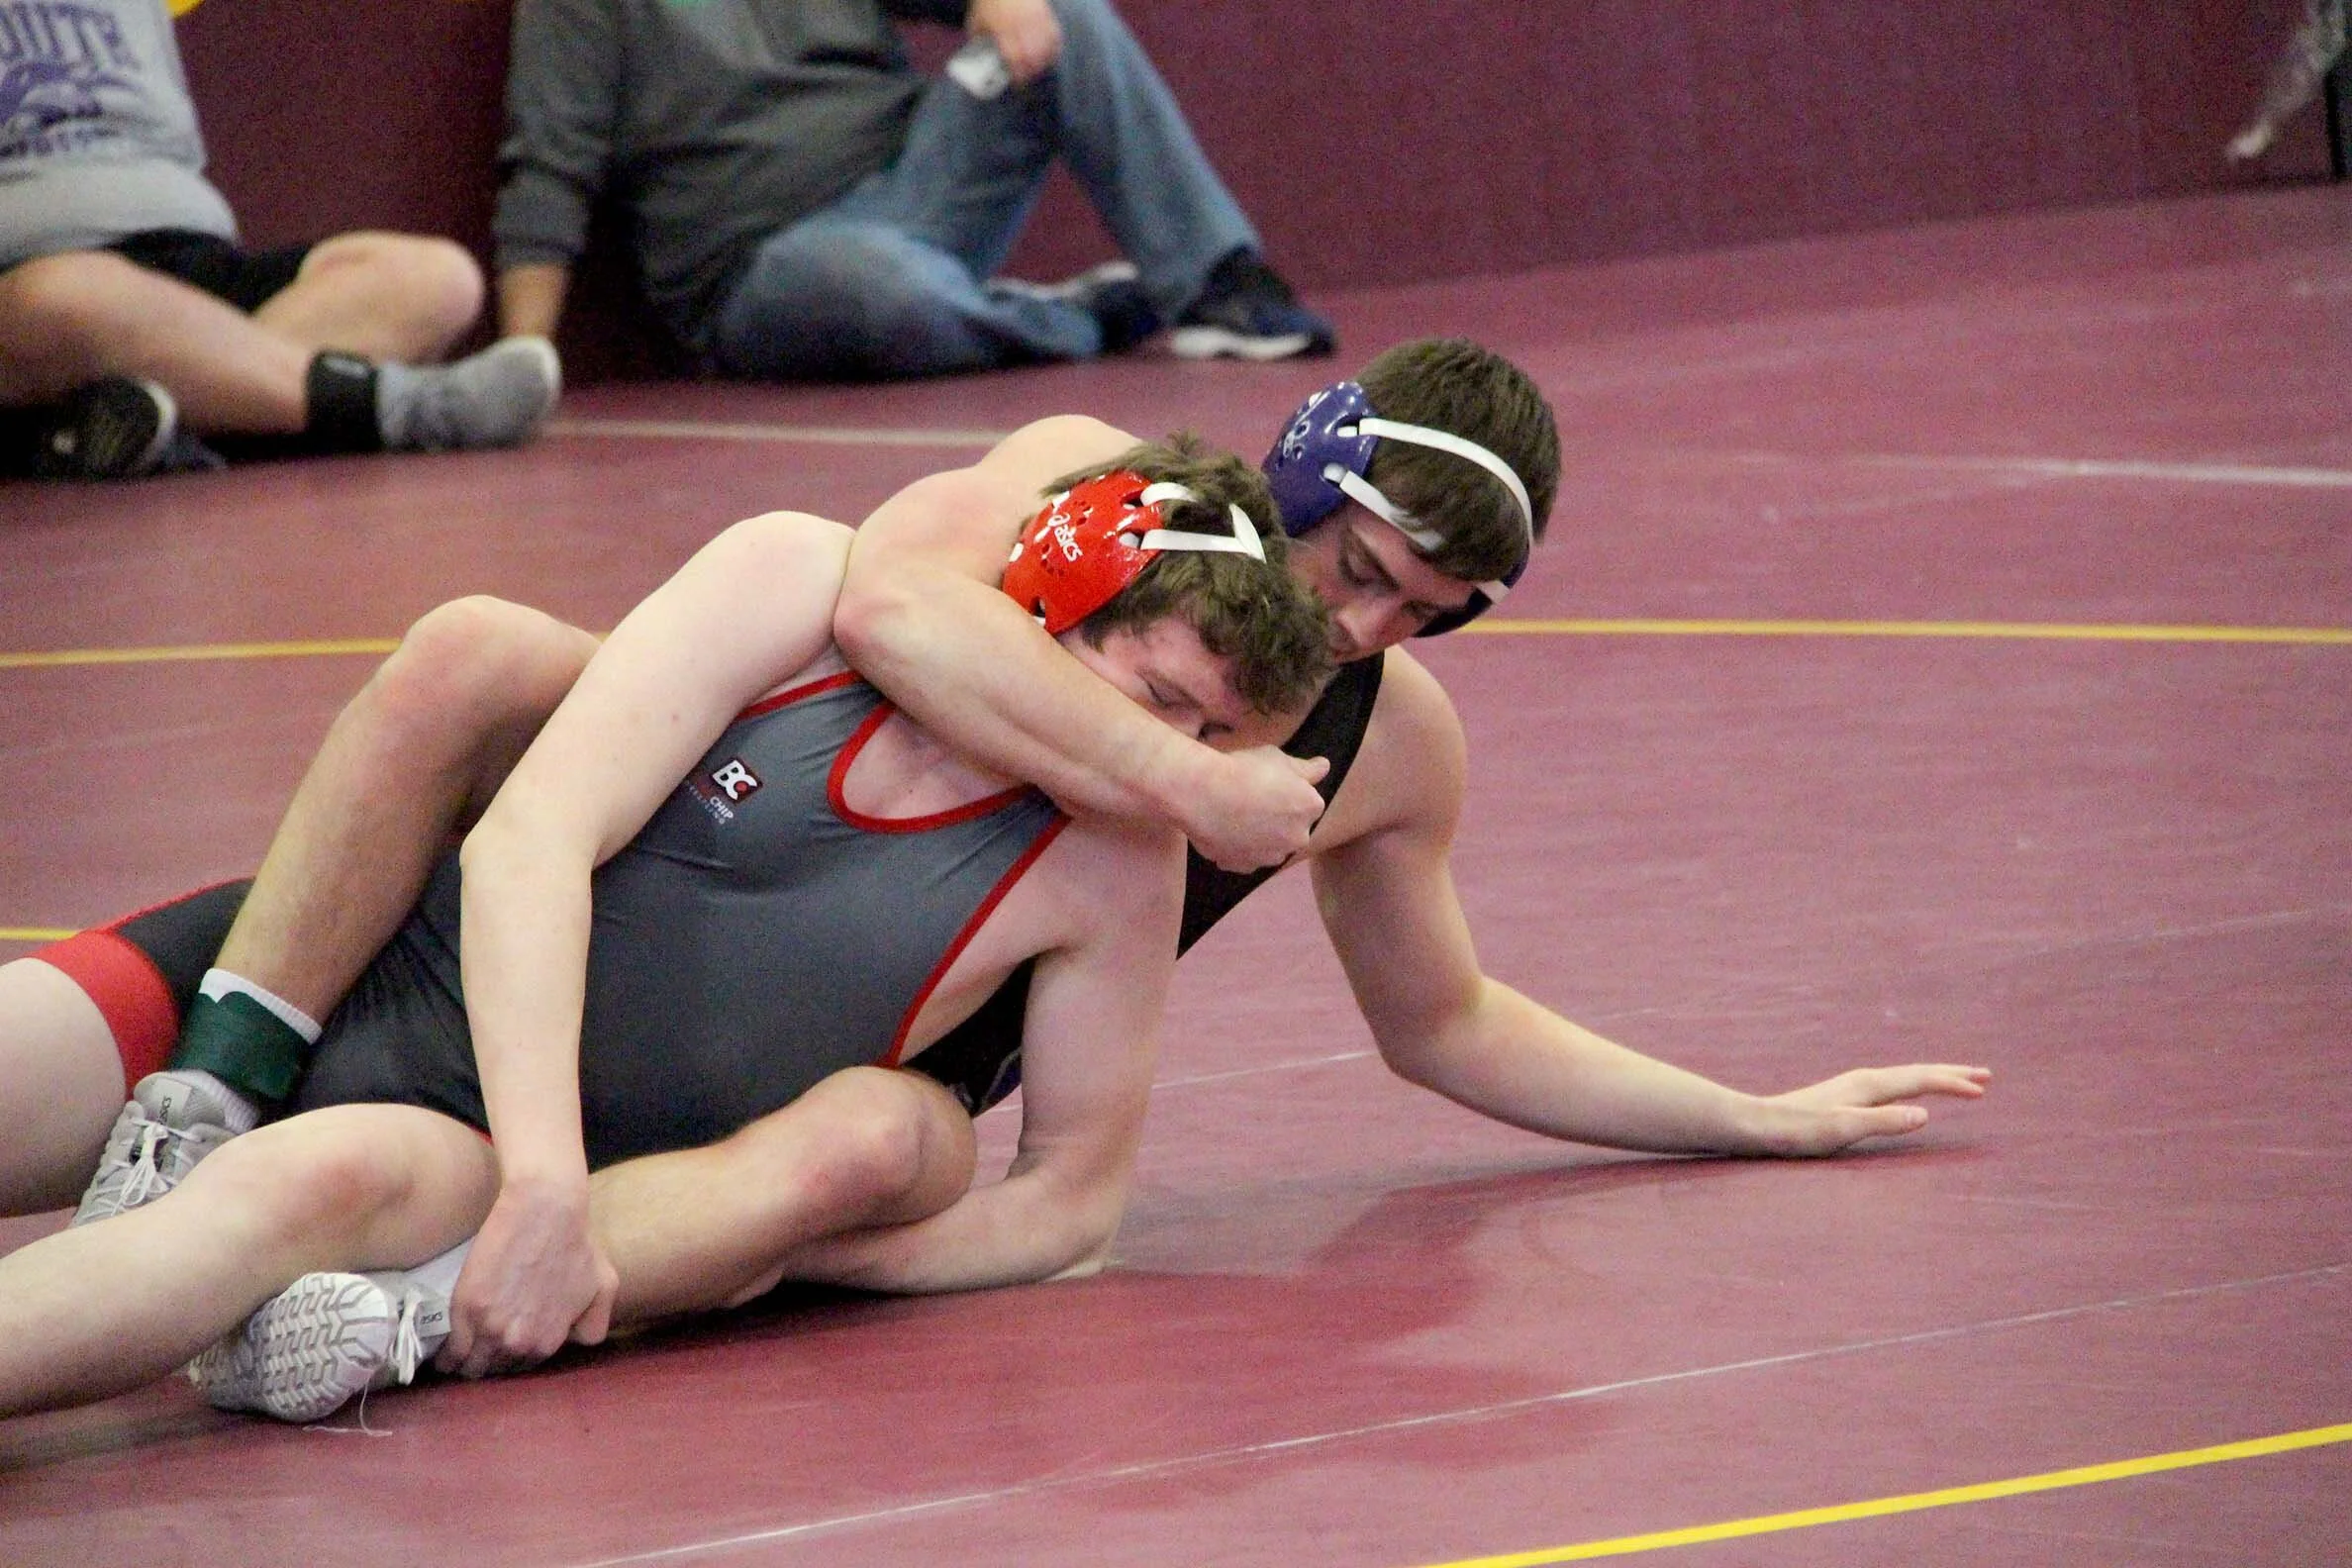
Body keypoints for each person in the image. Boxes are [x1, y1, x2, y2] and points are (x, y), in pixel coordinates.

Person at [32, 338, 1988, 1394]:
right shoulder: (1082, 492)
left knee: (876, 1139)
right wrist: (1187, 774)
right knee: (481, 657)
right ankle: (222, 1066)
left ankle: (406, 1284)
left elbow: (1442, 1017)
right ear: (1293, 470)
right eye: (1358, 569)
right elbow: (887, 603)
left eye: (1428, 613)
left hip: (786, 1067)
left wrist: (1748, 1113)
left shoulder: (1334, 762)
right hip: (536, 922)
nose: (1364, 630)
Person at [0, 439, 1333, 1424]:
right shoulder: (795, 587)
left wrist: (757, 1257)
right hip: (366, 969)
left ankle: (373, 1270)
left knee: (270, 1206)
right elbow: (530, 841)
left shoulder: (1117, 867)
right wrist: (548, 1187)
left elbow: (1069, 1207)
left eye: (1211, 733)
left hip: (467, 1153)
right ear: (1054, 592)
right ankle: (212, 1087)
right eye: (1156, 697)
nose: (1173, 757)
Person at [492, 0, 1332, 379]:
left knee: (1063, 13)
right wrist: (527, 359)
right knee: (875, 285)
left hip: (922, 183)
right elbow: (549, 164)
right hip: (767, 269)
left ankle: (1217, 284)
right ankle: (1075, 318)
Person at [0, 0, 562, 479]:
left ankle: (139, 429)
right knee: (61, 297)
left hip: (194, 257)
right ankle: (400, 407)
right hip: (39, 276)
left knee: (436, 281)